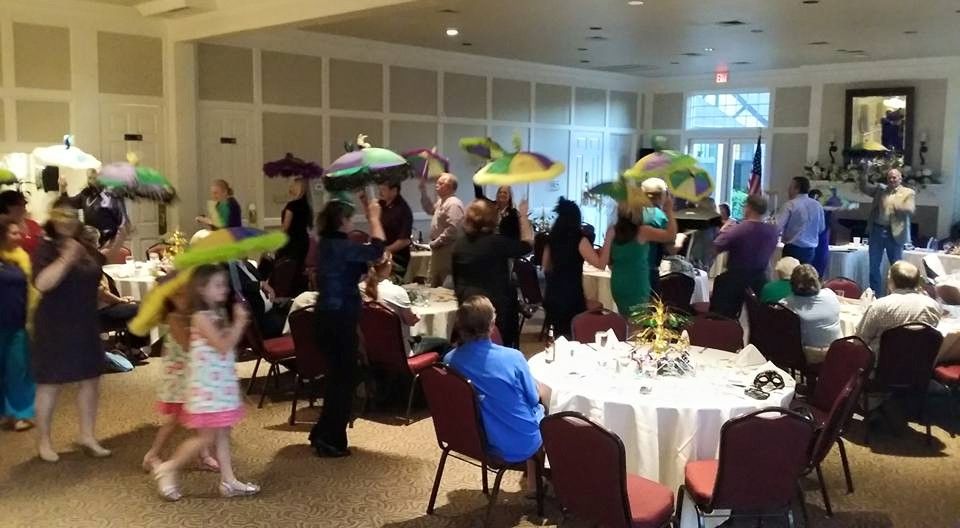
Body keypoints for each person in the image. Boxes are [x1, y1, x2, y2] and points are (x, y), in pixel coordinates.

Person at [152, 265, 258, 501]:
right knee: (206, 437)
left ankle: (228, 480)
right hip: (207, 388)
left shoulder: (214, 314)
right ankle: (168, 467)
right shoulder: (200, 317)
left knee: (222, 432)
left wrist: (233, 321)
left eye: (225, 284)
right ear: (201, 290)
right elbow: (222, 346)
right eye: (218, 285)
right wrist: (239, 324)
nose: (224, 289)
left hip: (218, 385)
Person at [31, 199, 111, 462]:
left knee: (90, 380)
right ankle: (44, 442)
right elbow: (43, 283)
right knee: (50, 383)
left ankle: (87, 435)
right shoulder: (45, 247)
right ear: (52, 218)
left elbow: (100, 265)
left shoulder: (83, 246)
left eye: (71, 215)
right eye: (61, 215)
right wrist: (66, 258)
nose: (67, 220)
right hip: (55, 324)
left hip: (85, 321)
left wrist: (122, 235)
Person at [443, 295, 544, 490]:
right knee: (546, 403)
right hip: (515, 442)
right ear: (492, 324)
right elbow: (533, 399)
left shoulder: (450, 361)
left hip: (471, 438)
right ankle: (536, 481)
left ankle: (533, 479)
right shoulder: (513, 358)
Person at [310, 196, 385, 457]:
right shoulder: (341, 246)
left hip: (326, 316)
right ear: (342, 220)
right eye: (351, 217)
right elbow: (377, 250)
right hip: (339, 318)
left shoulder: (328, 244)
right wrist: (374, 216)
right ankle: (330, 440)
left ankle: (322, 432)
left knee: (336, 379)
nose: (353, 221)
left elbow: (358, 269)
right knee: (343, 380)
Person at [140, 275, 219, 474]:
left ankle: (204, 455)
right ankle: (152, 455)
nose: (185, 300)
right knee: (175, 419)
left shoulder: (191, 315)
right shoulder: (175, 318)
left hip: (191, 374)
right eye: (180, 296)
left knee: (198, 417)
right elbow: (187, 345)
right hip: (180, 379)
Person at [452, 199, 534, 348]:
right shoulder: (497, 243)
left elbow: (456, 279)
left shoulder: (459, 245)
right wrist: (523, 216)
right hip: (495, 308)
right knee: (498, 347)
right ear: (492, 220)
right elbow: (528, 244)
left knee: (469, 347)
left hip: (467, 304)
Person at [542, 198, 610, 338]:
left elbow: (545, 265)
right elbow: (600, 264)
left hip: (552, 295)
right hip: (572, 297)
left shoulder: (552, 238)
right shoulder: (579, 239)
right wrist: (608, 240)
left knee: (559, 336)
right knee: (573, 337)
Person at [605, 194, 678, 317]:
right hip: (637, 283)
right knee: (638, 325)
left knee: (625, 321)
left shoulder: (613, 231)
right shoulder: (642, 231)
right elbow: (670, 235)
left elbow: (610, 263)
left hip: (618, 283)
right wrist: (669, 210)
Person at [362, 252, 448, 356]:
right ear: (389, 264)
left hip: (369, 348)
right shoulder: (396, 292)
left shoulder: (358, 288)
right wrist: (416, 314)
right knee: (444, 343)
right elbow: (411, 321)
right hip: (399, 351)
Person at [710, 194, 780, 318]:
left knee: (720, 290)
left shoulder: (739, 229)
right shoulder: (773, 231)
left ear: (749, 207)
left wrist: (722, 231)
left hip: (736, 278)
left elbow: (715, 247)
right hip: (760, 278)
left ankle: (721, 327)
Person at [856, 261, 942, 352]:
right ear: (917, 282)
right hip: (921, 362)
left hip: (882, 363)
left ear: (891, 281)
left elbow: (859, 341)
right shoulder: (933, 306)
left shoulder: (879, 307)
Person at [0, 217, 36, 432]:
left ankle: (21, 413)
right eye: (13, 233)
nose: (19, 236)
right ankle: (4, 412)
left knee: (19, 368)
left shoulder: (23, 259)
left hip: (18, 322)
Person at [861, 169, 916, 296]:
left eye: (894, 178)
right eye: (889, 178)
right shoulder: (880, 190)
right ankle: (876, 296)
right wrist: (863, 174)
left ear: (900, 179)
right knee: (874, 266)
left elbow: (910, 209)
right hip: (877, 230)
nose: (892, 180)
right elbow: (864, 188)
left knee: (897, 268)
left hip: (895, 233)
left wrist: (894, 204)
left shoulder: (908, 192)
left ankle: (896, 296)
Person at [780, 264, 842, 365]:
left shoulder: (786, 305)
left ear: (792, 284)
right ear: (817, 281)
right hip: (836, 350)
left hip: (807, 356)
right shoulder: (830, 294)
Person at [419, 173, 465, 287]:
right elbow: (429, 209)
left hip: (447, 249)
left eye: (440, 183)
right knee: (434, 279)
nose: (436, 185)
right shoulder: (441, 201)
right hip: (438, 248)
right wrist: (423, 191)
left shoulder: (454, 204)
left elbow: (453, 229)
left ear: (449, 187)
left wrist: (436, 242)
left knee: (445, 282)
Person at [59, 170, 126, 245]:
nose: (91, 181)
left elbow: (118, 217)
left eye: (94, 178)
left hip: (108, 238)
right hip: (90, 238)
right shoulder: (85, 194)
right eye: (89, 178)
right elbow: (70, 204)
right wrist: (63, 189)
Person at [228, 259, 291, 339]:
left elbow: (262, 279)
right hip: (261, 319)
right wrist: (260, 285)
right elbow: (238, 286)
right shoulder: (230, 267)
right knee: (298, 319)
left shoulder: (247, 264)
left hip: (271, 307)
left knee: (296, 304)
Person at [776, 176, 825, 265]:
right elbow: (821, 228)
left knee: (789, 276)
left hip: (793, 249)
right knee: (804, 277)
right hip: (810, 251)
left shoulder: (790, 205)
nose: (788, 190)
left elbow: (778, 226)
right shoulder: (818, 205)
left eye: (790, 187)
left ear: (797, 189)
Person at [276, 178, 313, 270]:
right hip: (303, 241)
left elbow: (285, 227)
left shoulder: (291, 206)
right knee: (298, 268)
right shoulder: (307, 206)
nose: (290, 186)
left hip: (291, 242)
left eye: (293, 185)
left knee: (286, 269)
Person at [378, 181, 414, 271]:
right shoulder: (382, 204)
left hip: (397, 258)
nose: (380, 192)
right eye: (380, 189)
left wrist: (384, 250)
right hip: (383, 256)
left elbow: (404, 240)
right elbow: (371, 217)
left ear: (394, 190)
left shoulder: (403, 210)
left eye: (383, 189)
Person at [0, 190, 43, 254]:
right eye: (19, 207)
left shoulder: (32, 224)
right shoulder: (4, 233)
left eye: (24, 205)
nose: (24, 210)